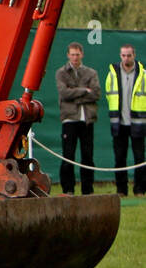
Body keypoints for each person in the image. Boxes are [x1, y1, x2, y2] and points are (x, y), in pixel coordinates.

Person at [56, 41, 99, 196]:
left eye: (77, 54)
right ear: (68, 55)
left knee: (87, 156)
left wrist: (75, 93)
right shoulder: (61, 73)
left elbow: (96, 93)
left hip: (87, 120)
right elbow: (64, 93)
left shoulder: (91, 73)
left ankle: (88, 190)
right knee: (68, 155)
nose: (75, 57)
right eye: (72, 54)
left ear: (82, 55)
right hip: (69, 120)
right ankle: (68, 189)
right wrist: (83, 91)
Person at [104, 43, 146, 196]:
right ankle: (121, 190)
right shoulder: (112, 74)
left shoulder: (143, 74)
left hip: (138, 123)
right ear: (120, 55)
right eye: (123, 55)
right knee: (119, 158)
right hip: (119, 123)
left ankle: (140, 189)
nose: (126, 58)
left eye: (129, 55)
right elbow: (109, 94)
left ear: (134, 55)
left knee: (140, 158)